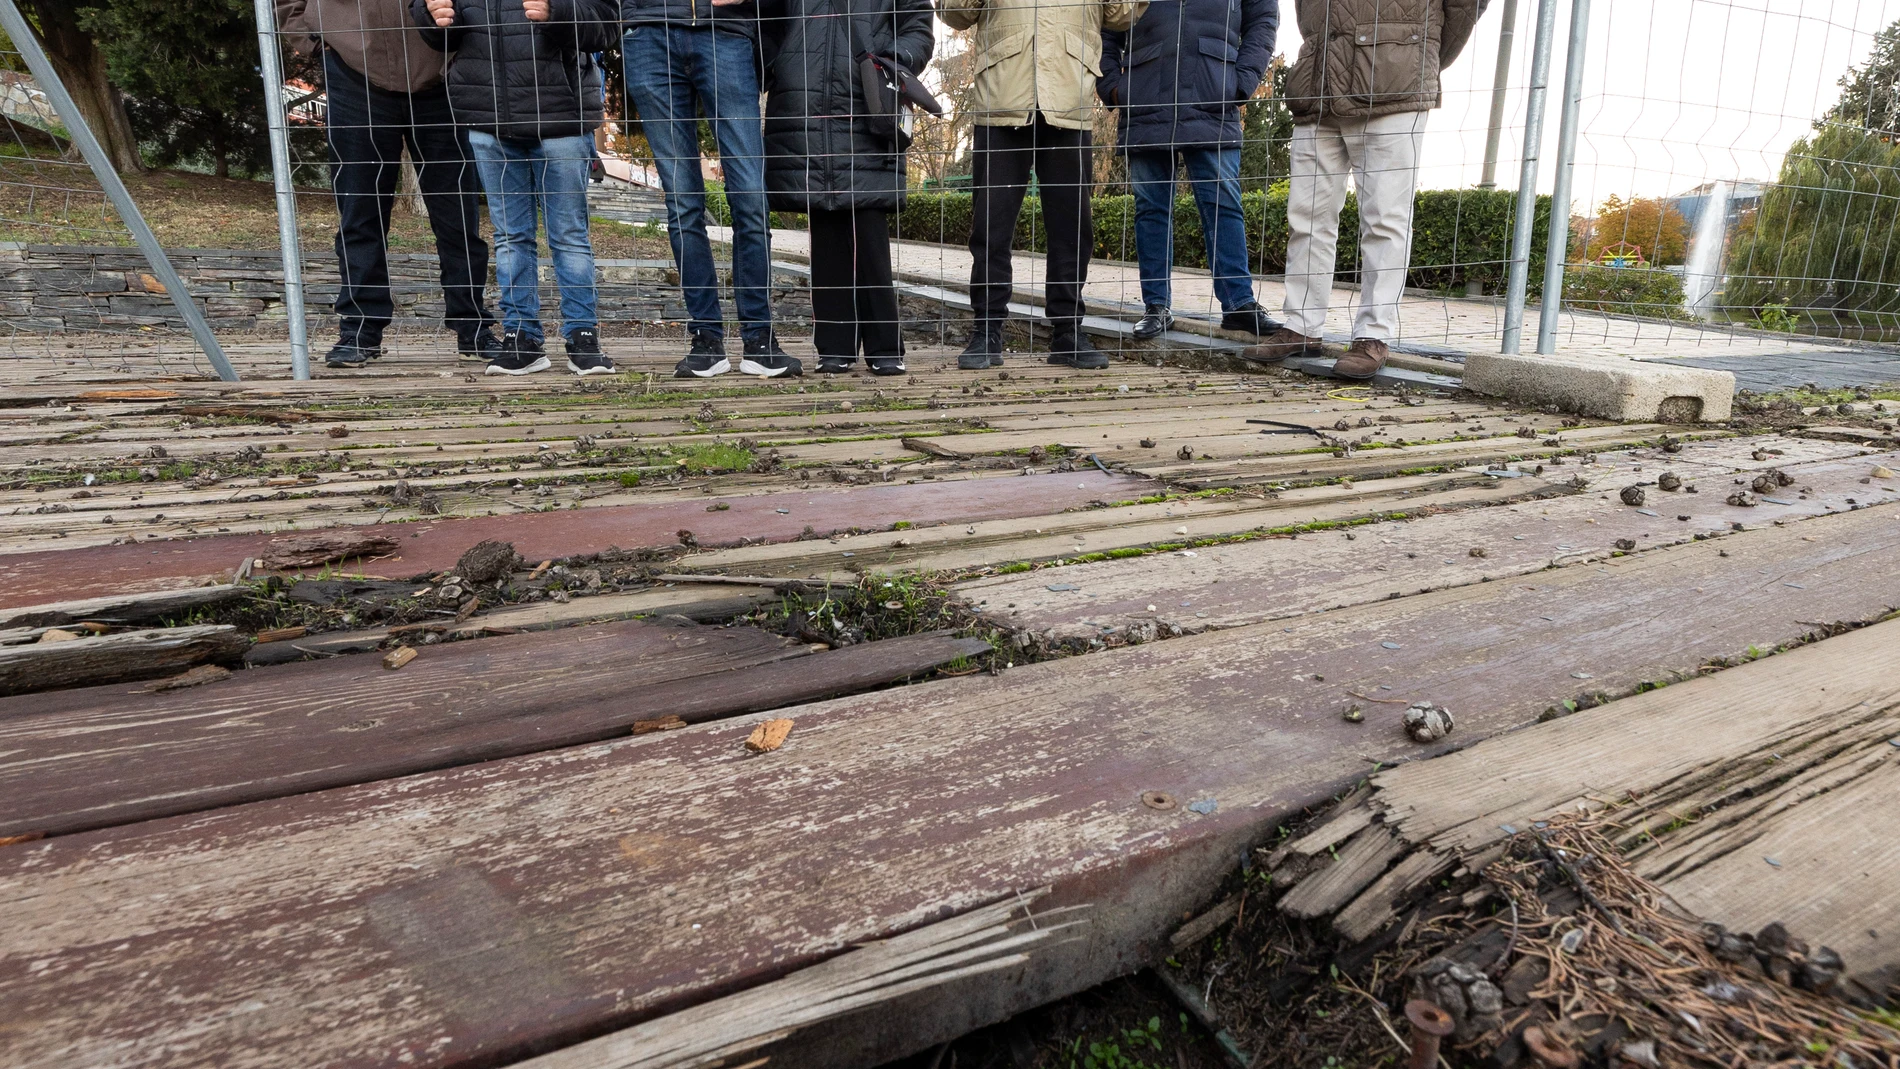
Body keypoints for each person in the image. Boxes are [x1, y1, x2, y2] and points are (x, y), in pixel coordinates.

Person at [1243, 0, 1486, 378]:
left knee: (1385, 218)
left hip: (1393, 83)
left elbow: (1464, 6)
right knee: (1306, 217)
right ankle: (1302, 325)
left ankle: (1373, 334)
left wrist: (1412, 52)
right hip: (1318, 83)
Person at [275, 0, 500, 370]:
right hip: (353, 76)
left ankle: (473, 328)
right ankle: (359, 331)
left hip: (444, 75)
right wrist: (316, 44)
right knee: (360, 212)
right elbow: (287, 6)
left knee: (458, 216)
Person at [414, 0, 619, 377]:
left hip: (561, 116)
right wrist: (431, 17)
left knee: (569, 235)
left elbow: (606, 28)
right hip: (487, 117)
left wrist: (558, 12)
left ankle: (583, 337)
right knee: (510, 237)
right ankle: (521, 339)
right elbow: (439, 38)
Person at [940, 0, 1146, 372]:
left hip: (1069, 97)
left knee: (1072, 228)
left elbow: (1122, 15)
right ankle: (986, 330)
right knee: (990, 226)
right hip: (1001, 96)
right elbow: (955, 14)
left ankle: (1068, 333)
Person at [758, 0, 934, 376]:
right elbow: (766, 24)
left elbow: (918, 24)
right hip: (805, 99)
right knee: (825, 225)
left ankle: (885, 346)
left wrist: (891, 60)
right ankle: (835, 346)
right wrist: (780, 63)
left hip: (868, 99)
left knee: (870, 228)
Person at [622, 0, 794, 378]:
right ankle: (706, 338)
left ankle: (759, 339)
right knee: (682, 203)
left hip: (726, 32)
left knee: (750, 197)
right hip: (650, 32)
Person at [1099, 0, 1280, 341]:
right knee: (1150, 209)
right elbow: (1105, 25)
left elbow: (1263, 18)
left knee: (1223, 204)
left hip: (1214, 95)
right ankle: (1156, 305)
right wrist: (1113, 86)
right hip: (1145, 96)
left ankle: (1238, 304)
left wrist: (1242, 80)